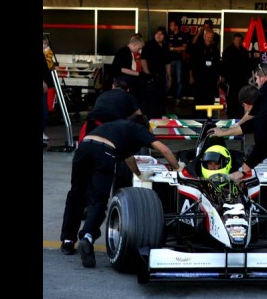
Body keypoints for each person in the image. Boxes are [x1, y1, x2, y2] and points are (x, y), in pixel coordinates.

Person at [60, 114, 184, 268]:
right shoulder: (139, 128)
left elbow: (129, 158)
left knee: (76, 195)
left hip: (84, 147)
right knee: (99, 201)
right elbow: (163, 149)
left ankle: (67, 241)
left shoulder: (117, 125)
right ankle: (87, 236)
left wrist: (139, 175)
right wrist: (179, 169)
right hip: (103, 153)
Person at [220, 33, 254, 119]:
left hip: (242, 80)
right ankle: (230, 116)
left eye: (239, 40)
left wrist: (248, 76)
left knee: (241, 98)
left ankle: (239, 116)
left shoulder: (244, 52)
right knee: (231, 99)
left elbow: (248, 65)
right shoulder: (228, 51)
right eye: (236, 40)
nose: (238, 42)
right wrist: (223, 77)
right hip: (230, 80)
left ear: (242, 41)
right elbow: (223, 65)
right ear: (233, 40)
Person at [139, 26, 170, 119]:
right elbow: (143, 59)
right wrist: (148, 74)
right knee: (152, 100)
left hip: (162, 77)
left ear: (164, 36)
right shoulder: (149, 45)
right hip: (151, 76)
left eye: (161, 34)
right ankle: (151, 121)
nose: (158, 36)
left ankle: (161, 119)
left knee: (162, 99)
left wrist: (169, 76)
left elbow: (167, 62)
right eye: (157, 34)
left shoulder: (165, 46)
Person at [189, 28, 222, 107]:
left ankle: (208, 117)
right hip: (199, 77)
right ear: (204, 37)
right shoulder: (198, 47)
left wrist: (218, 78)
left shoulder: (214, 48)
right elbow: (191, 62)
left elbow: (218, 64)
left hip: (211, 78)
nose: (209, 39)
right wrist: (191, 76)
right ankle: (196, 118)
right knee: (198, 98)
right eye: (208, 37)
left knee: (210, 99)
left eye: (211, 37)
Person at [111, 35, 144, 104]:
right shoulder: (125, 52)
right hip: (121, 80)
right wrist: (139, 74)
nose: (139, 50)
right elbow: (122, 69)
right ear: (134, 45)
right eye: (138, 48)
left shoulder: (126, 51)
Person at [166, 19, 188, 105]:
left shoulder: (182, 35)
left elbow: (184, 48)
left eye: (171, 25)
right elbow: (166, 47)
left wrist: (173, 48)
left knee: (179, 80)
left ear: (176, 26)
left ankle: (178, 99)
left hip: (179, 60)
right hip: (169, 60)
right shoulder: (169, 35)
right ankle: (164, 97)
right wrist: (177, 48)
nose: (170, 27)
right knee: (168, 78)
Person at [42, 51, 55, 143]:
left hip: (46, 87)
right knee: (43, 110)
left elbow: (50, 66)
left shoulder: (46, 55)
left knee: (44, 110)